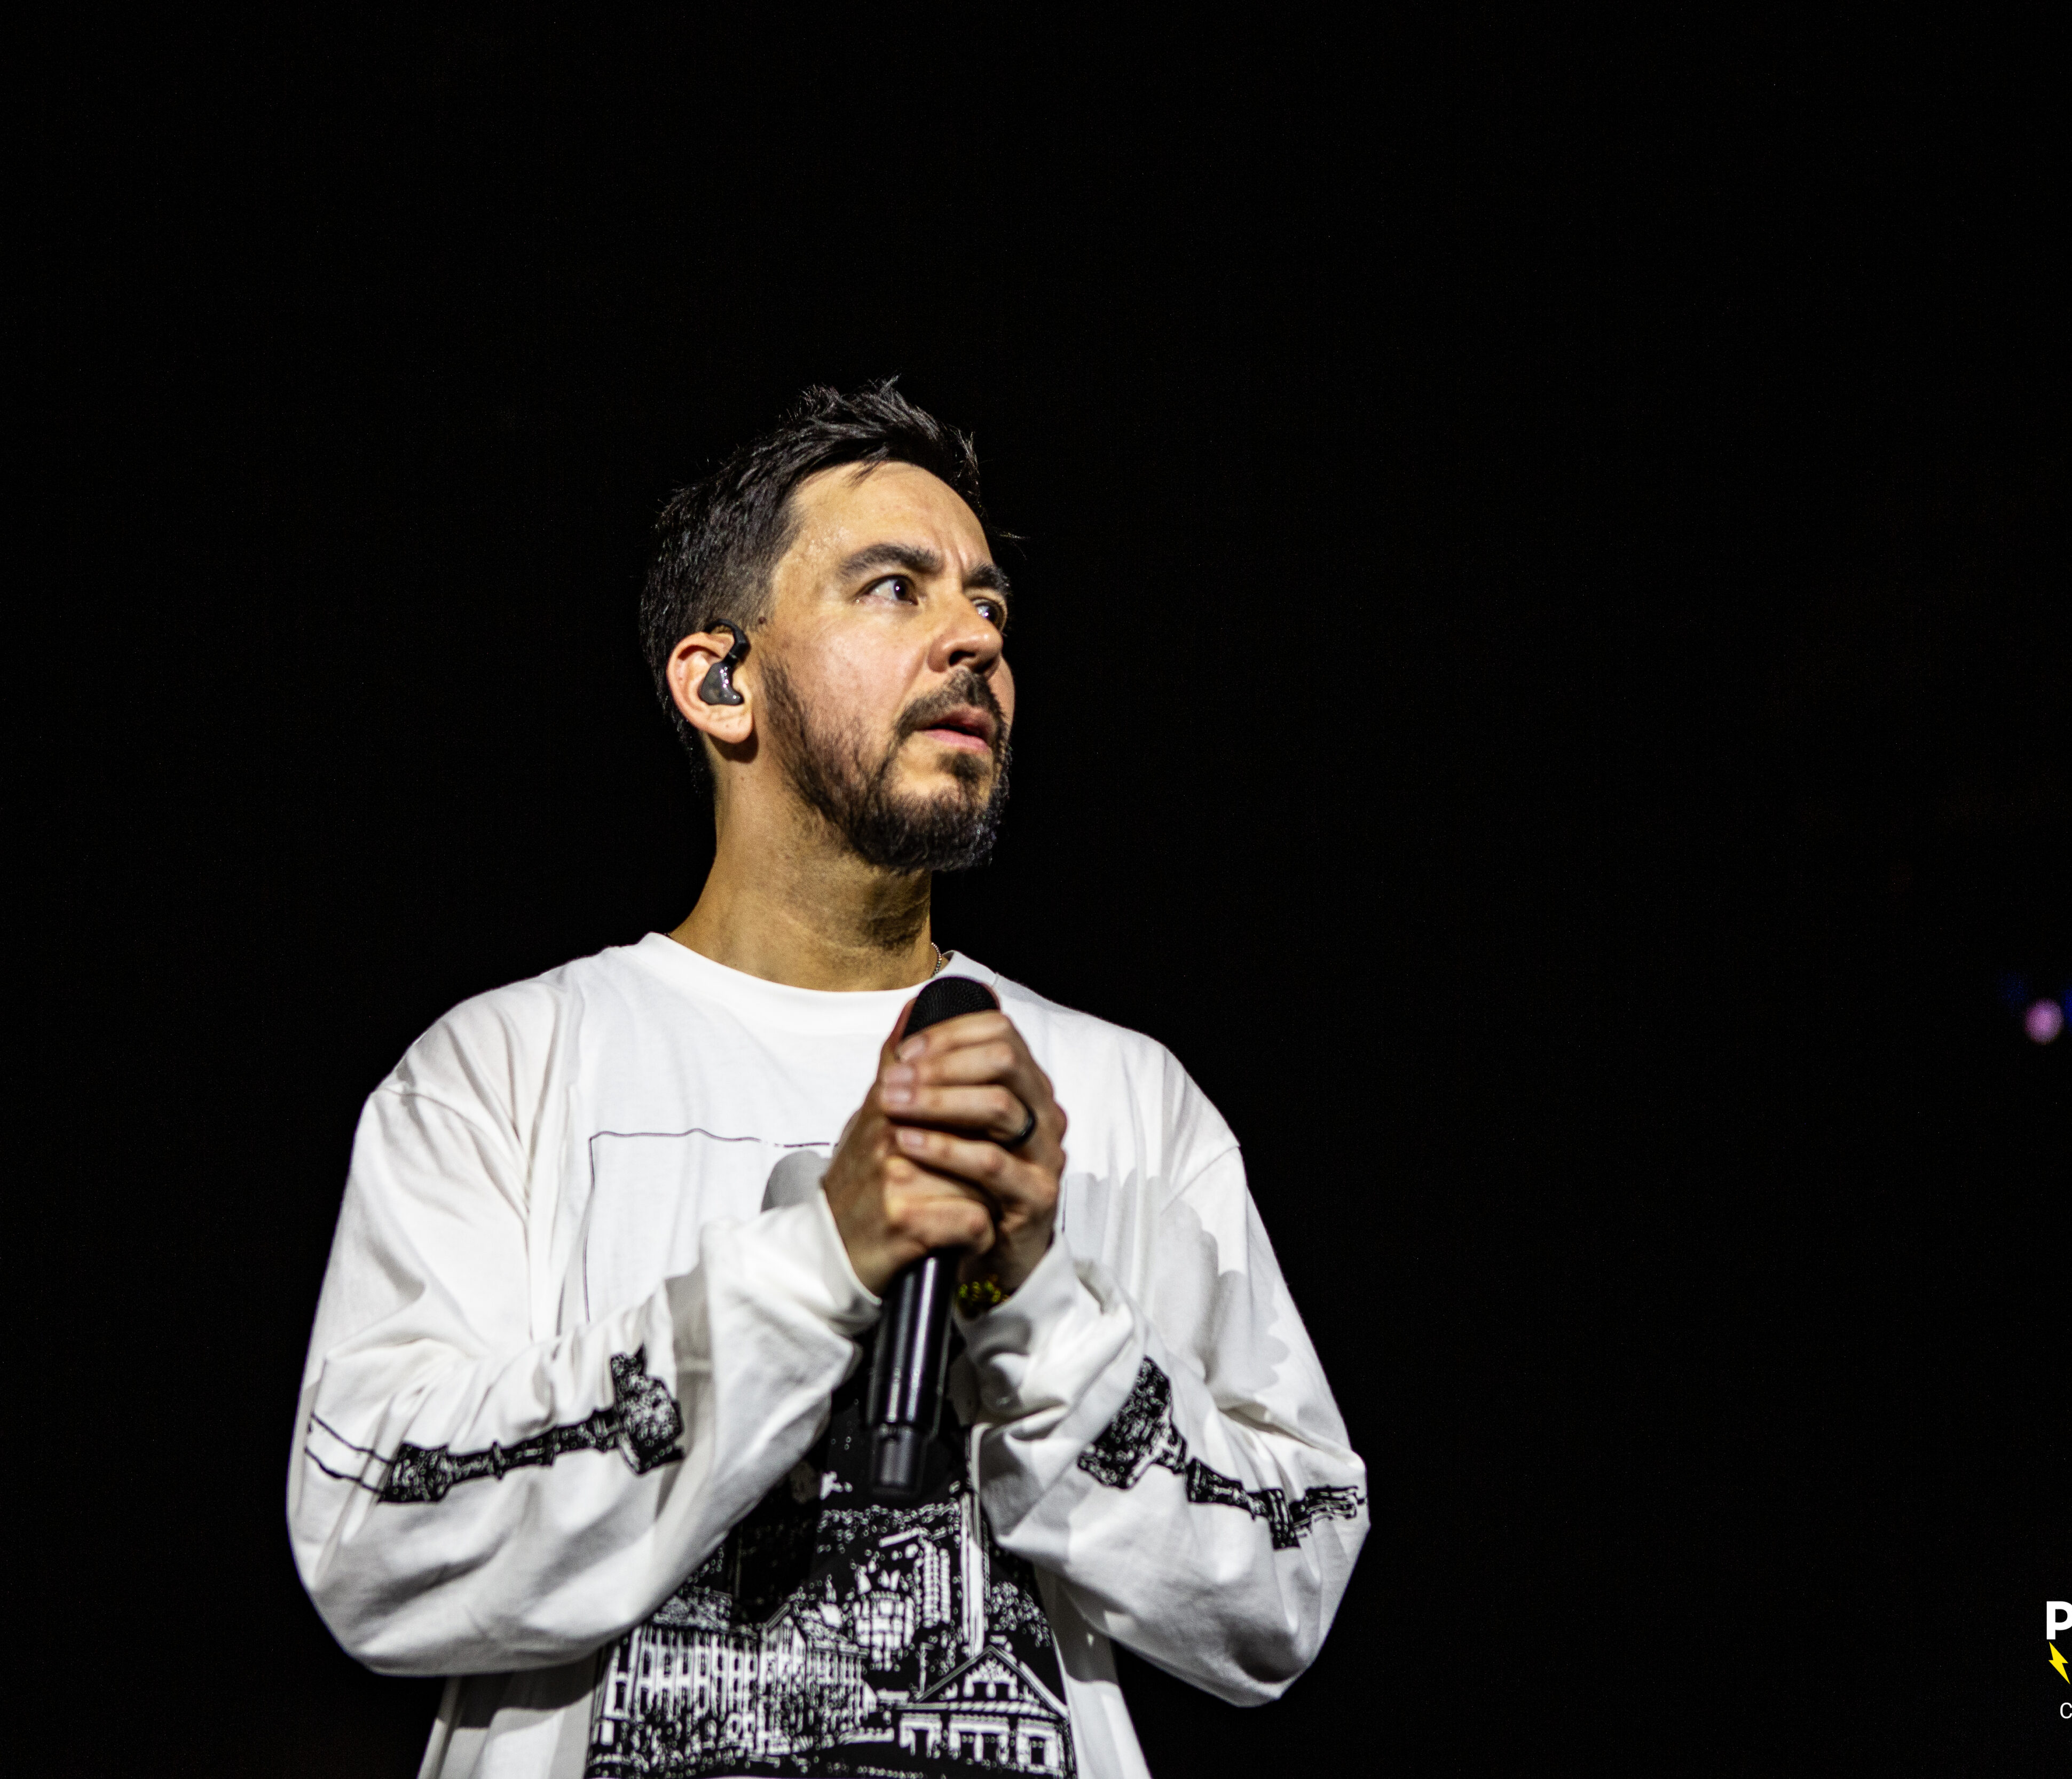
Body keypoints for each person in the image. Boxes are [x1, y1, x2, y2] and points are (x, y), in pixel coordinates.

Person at [289, 383, 1367, 1779]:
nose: (977, 637)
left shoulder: (1125, 1099)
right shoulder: (501, 1068)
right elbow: (374, 1538)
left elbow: (1287, 1585)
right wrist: (819, 1268)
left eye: (988, 602)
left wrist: (1039, 1303)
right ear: (718, 682)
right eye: (895, 589)